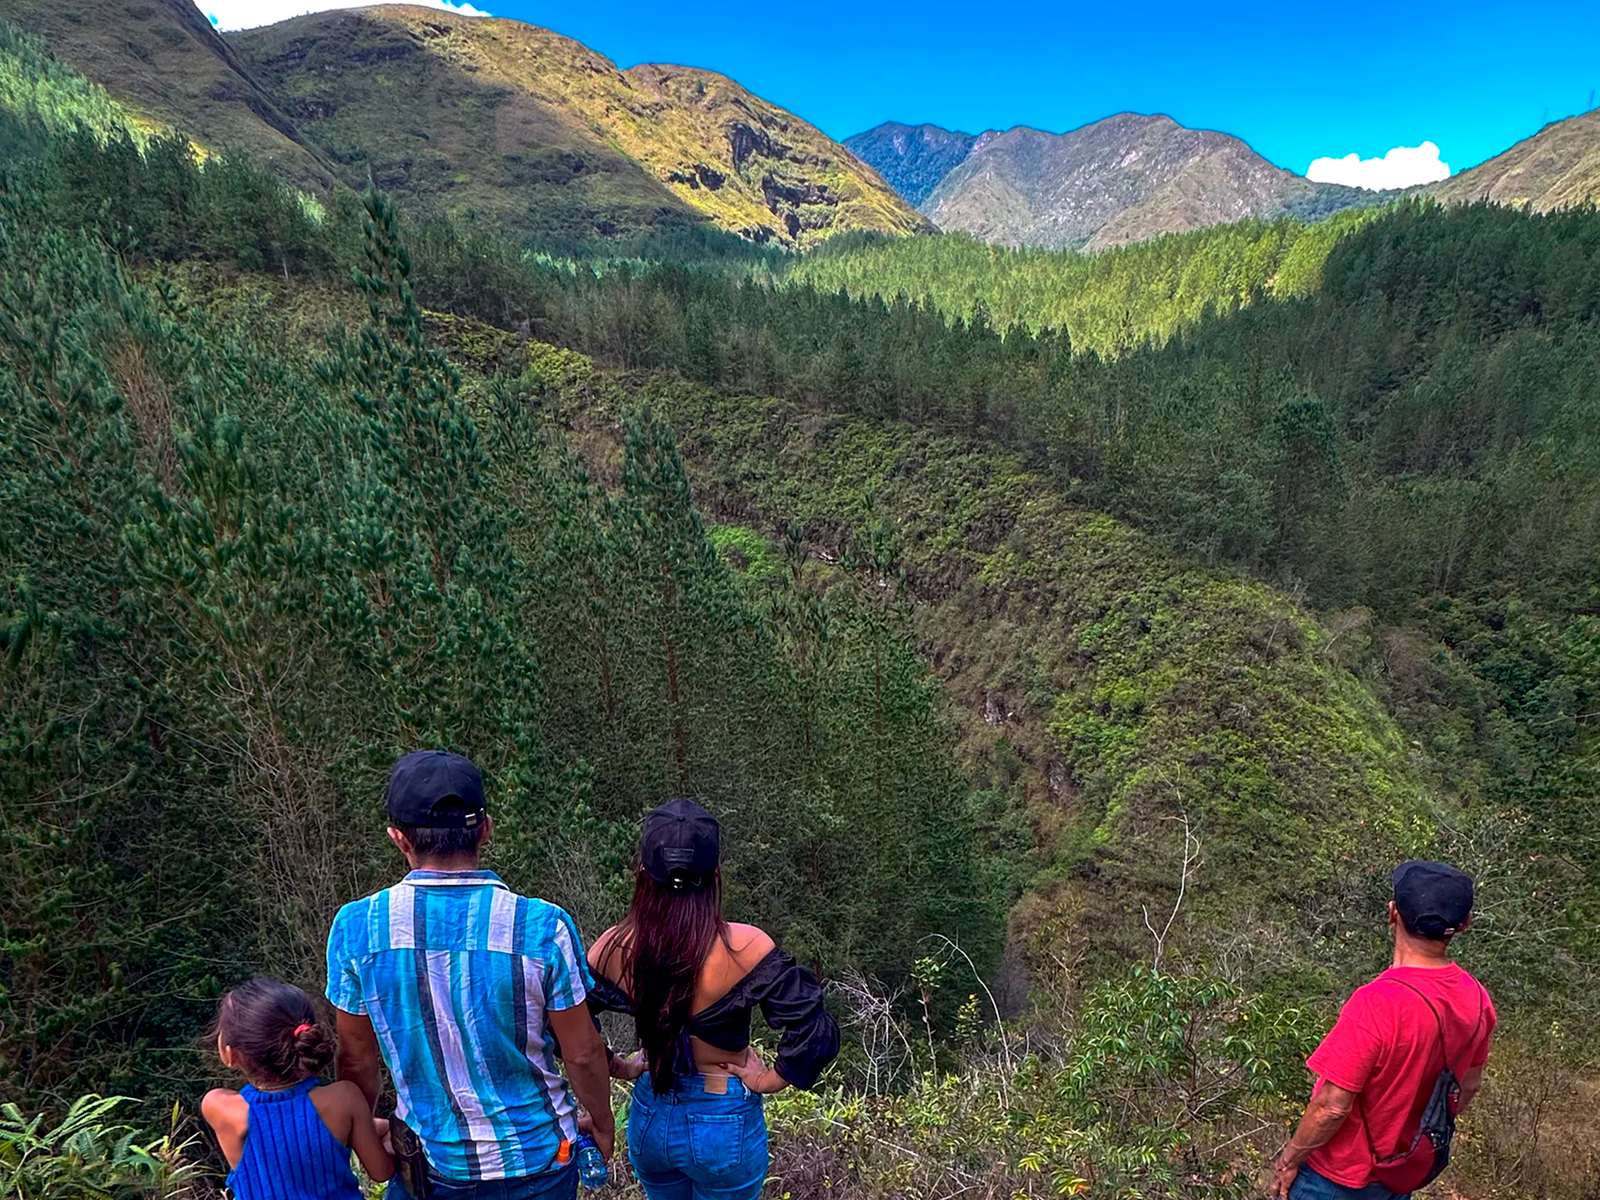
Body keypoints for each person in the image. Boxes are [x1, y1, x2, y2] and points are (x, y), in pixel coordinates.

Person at [325, 750, 615, 1200]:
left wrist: (362, 1129)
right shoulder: (541, 927)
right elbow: (581, 1053)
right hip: (539, 1162)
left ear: (399, 838)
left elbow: (358, 1061)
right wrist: (602, 1123)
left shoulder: (356, 930)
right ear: (485, 829)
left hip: (429, 1165)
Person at [586, 797, 840, 1200]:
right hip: (723, 1121)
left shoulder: (613, 947)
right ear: (715, 874)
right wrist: (768, 1079)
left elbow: (568, 1024)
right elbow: (814, 1027)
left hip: (651, 1115)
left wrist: (617, 1065)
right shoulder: (746, 947)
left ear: (642, 874)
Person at [1270, 861, 1497, 1200]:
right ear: (1464, 924)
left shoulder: (1376, 1002)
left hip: (1334, 1180)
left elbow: (1332, 1107)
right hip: (1398, 1175)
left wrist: (1288, 1161)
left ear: (1392, 913)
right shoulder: (1477, 999)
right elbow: (1467, 1087)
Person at [201, 977, 393, 1200]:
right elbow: (381, 1172)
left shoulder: (219, 1107)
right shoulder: (344, 1099)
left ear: (230, 1054)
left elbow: (282, 1135)